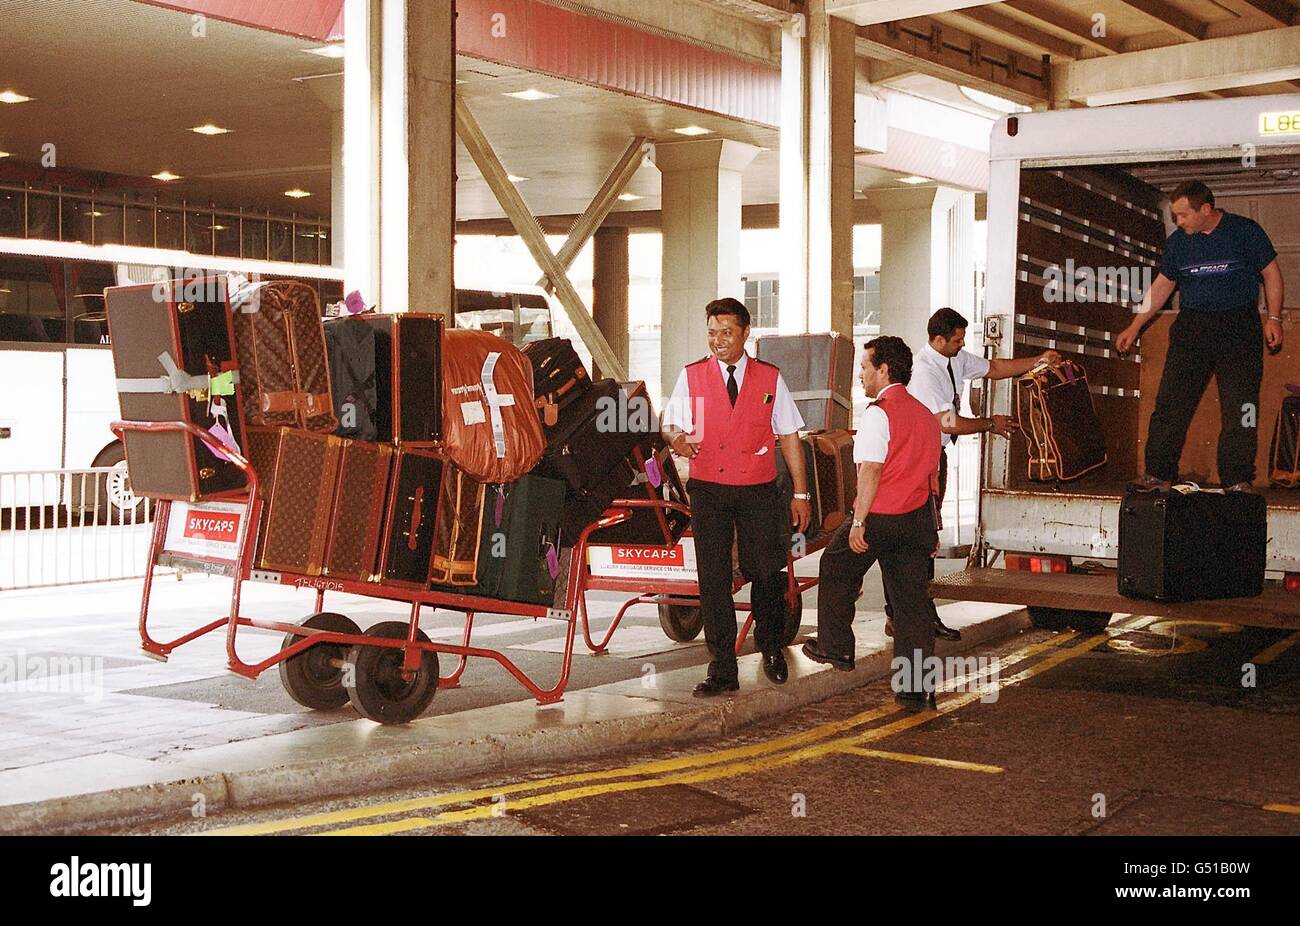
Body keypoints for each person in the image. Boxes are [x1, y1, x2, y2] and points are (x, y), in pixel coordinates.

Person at [662, 298, 813, 696]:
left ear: (746, 333)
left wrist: (801, 492)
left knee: (764, 571)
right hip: (709, 488)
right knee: (712, 579)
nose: (718, 340)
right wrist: (676, 437)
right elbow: (670, 424)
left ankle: (771, 647)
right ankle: (722, 668)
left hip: (758, 488)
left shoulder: (769, 378)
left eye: (726, 332)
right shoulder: (692, 376)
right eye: (712, 333)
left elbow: (789, 435)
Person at [890, 307, 1059, 641]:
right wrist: (989, 424)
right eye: (957, 339)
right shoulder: (924, 372)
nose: (961, 344)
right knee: (921, 539)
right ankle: (912, 615)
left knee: (923, 538)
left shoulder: (954, 358)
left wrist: (1038, 361)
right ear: (938, 339)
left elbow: (994, 368)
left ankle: (911, 614)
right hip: (919, 461)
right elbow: (947, 422)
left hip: (933, 457)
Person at [1115, 180, 1285, 491]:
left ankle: (1238, 479)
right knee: (1170, 403)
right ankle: (1159, 474)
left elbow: (1271, 273)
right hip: (1192, 329)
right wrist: (1135, 325)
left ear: (1205, 209)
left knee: (1242, 408)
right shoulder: (1180, 243)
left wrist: (1273, 318)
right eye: (1174, 216)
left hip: (1239, 328)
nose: (1177, 222)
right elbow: (1163, 285)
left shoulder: (1245, 231)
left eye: (1182, 215)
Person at [803, 336, 942, 713]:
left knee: (834, 565)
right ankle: (917, 690)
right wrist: (933, 528)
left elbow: (872, 471)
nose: (861, 375)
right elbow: (933, 476)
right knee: (911, 605)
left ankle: (835, 645)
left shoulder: (879, 413)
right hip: (916, 520)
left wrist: (858, 522)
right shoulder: (927, 416)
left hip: (879, 516)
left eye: (865, 367)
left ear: (884, 370)